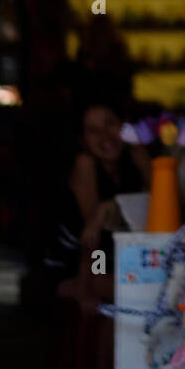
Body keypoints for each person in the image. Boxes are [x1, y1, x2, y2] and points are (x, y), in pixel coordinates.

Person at [43, 101, 150, 298]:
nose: (105, 135)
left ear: (123, 125)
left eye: (110, 124)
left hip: (113, 258)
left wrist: (109, 207)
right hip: (77, 265)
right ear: (83, 139)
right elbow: (93, 240)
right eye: (93, 130)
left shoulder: (134, 155)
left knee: (149, 285)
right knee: (134, 290)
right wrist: (88, 289)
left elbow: (157, 199)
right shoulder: (85, 164)